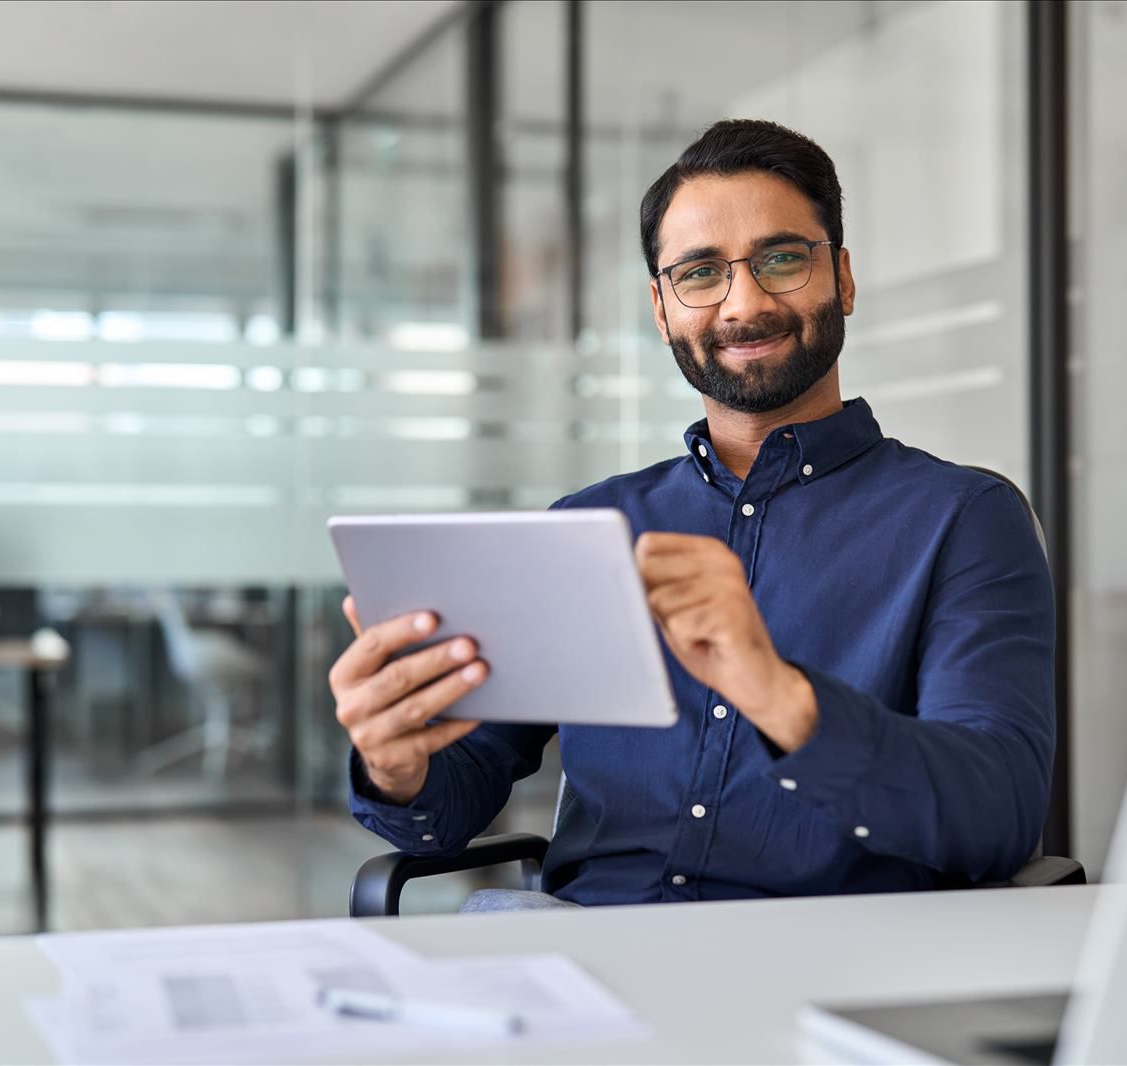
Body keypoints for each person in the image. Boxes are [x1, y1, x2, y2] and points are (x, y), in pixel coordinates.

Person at [332, 118, 1055, 909]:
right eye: (701, 272)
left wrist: (782, 695)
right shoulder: (590, 527)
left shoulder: (964, 520)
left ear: (842, 279)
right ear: (661, 307)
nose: (744, 302)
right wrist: (395, 765)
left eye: (783, 259)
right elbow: (450, 804)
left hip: (830, 960)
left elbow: (1001, 815)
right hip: (588, 953)